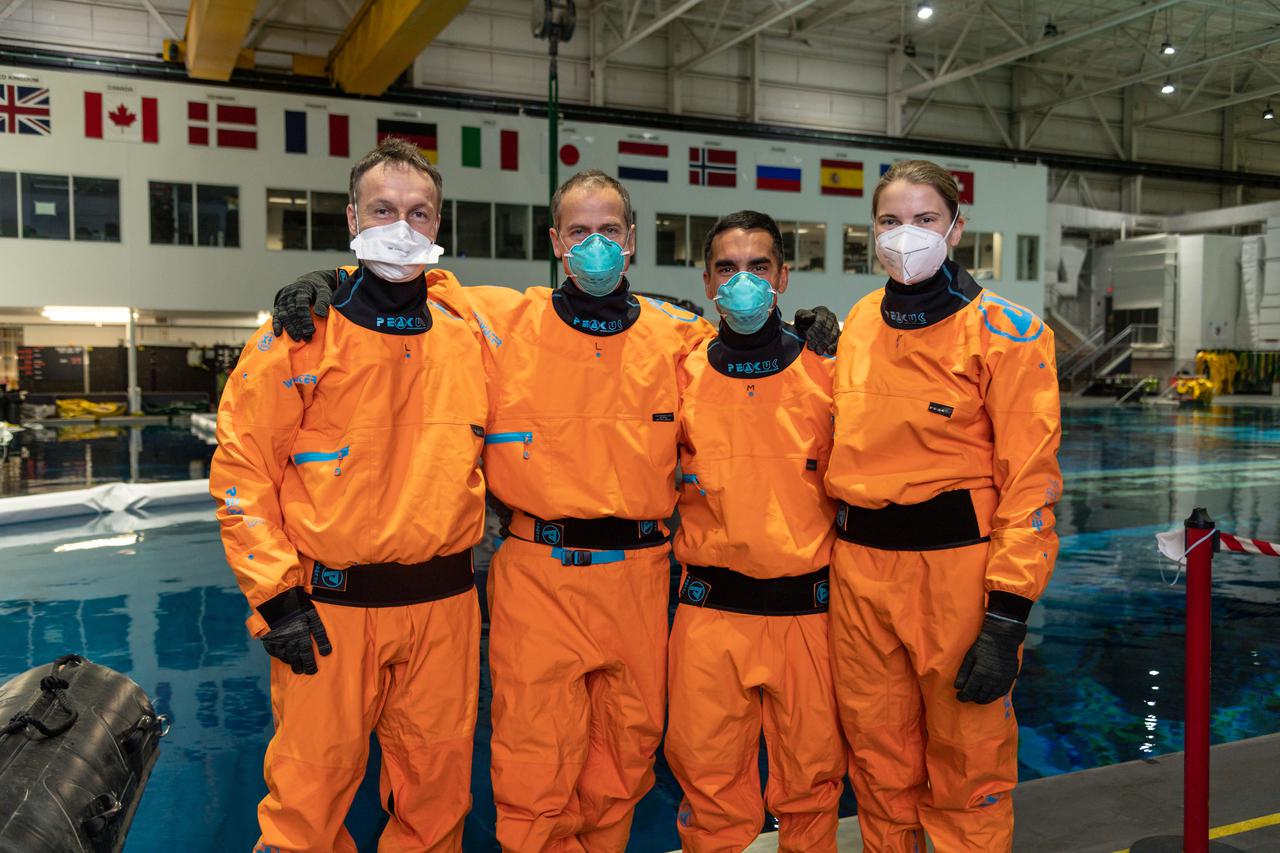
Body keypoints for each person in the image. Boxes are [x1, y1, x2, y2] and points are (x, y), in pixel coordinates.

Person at [269, 170, 840, 852]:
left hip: (641, 578)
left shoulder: (677, 337)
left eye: (608, 231)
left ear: (630, 240)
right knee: (534, 766)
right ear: (554, 242)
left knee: (624, 764)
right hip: (537, 577)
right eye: (578, 231)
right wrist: (330, 278)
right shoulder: (501, 321)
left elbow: (746, 356)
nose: (594, 245)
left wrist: (809, 342)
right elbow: (406, 273)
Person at [210, 137, 488, 853]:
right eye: (384, 209)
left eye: (419, 212)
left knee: (435, 805)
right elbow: (242, 471)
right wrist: (275, 598)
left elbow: (570, 323)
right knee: (305, 810)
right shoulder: (298, 337)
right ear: (352, 217)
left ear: (438, 224)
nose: (402, 226)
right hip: (331, 613)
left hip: (445, 615)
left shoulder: (468, 330)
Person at [824, 159, 1062, 852]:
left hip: (955, 577)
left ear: (956, 228)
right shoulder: (860, 323)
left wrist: (1008, 612)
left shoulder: (1008, 335)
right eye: (891, 221)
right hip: (860, 572)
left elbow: (1032, 483)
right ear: (871, 231)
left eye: (925, 219)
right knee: (877, 762)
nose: (907, 235)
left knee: (967, 765)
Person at [665, 210, 844, 852]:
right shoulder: (681, 374)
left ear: (783, 277)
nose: (743, 282)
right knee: (711, 795)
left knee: (813, 792)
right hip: (711, 619)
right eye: (728, 269)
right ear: (708, 282)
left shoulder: (828, 373)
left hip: (811, 619)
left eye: (758, 267)